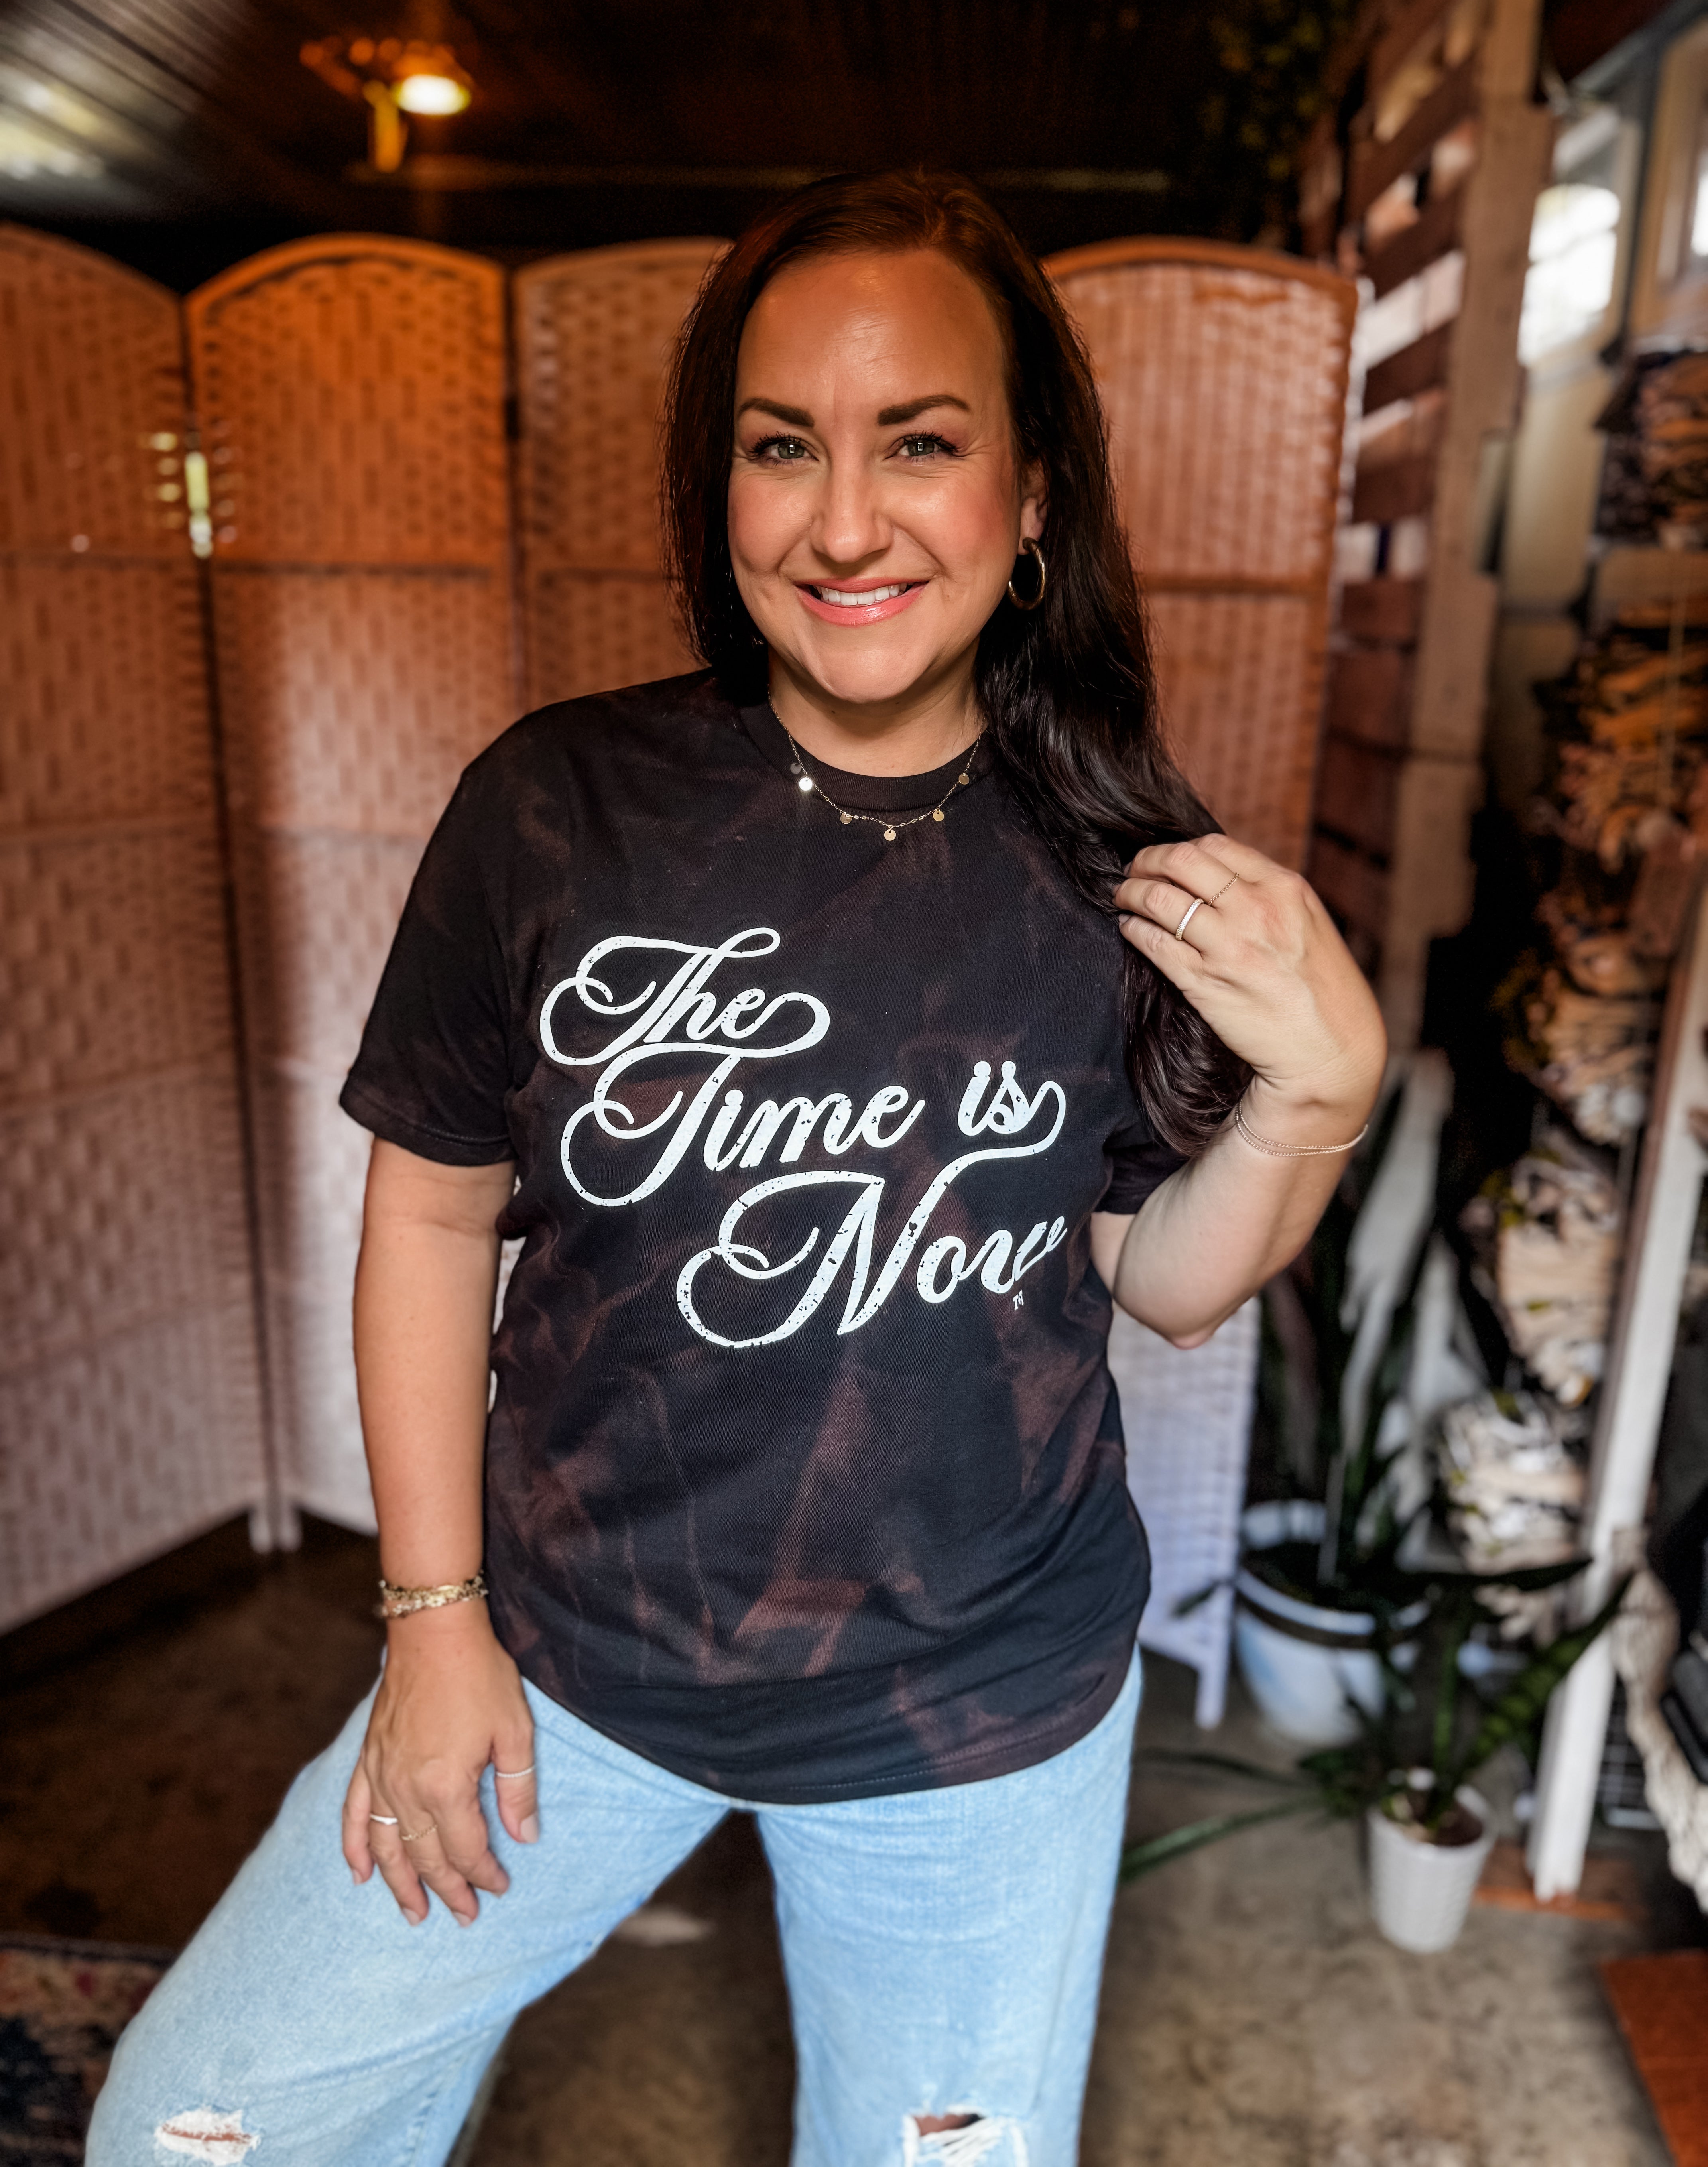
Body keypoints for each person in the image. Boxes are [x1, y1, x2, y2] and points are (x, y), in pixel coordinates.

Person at [91, 169, 1383, 2167]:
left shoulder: (1113, 861)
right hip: (566, 1667)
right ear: (722, 487)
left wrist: (1322, 1092)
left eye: (920, 444)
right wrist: (433, 1623)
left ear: (1035, 491)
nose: (845, 523)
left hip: (973, 1719)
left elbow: (1169, 1277)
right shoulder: (559, 808)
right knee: (202, 2127)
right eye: (784, 448)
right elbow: (430, 1212)